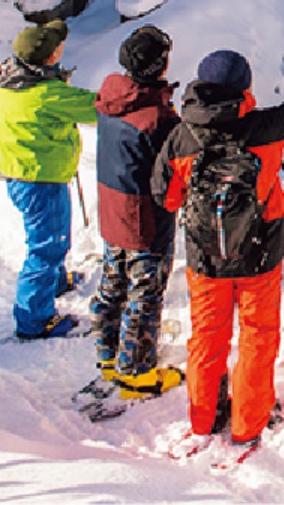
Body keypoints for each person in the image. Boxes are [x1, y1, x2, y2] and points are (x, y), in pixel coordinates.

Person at [152, 46, 284, 456]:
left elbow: (165, 196)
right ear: (244, 88)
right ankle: (247, 425)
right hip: (258, 255)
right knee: (257, 337)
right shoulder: (265, 128)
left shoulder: (181, 136)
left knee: (207, 338)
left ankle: (203, 421)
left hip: (205, 259)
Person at [90, 25, 184, 399]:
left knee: (114, 281)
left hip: (112, 208)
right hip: (145, 218)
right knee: (146, 292)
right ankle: (137, 373)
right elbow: (179, 163)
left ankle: (108, 354)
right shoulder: (157, 119)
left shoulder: (111, 98)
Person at [0, 19, 96, 340]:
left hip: (23, 173)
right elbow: (97, 108)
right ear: (52, 56)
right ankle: (34, 321)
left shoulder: (15, 81)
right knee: (46, 248)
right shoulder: (47, 94)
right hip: (41, 181)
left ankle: (55, 282)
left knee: (52, 237)